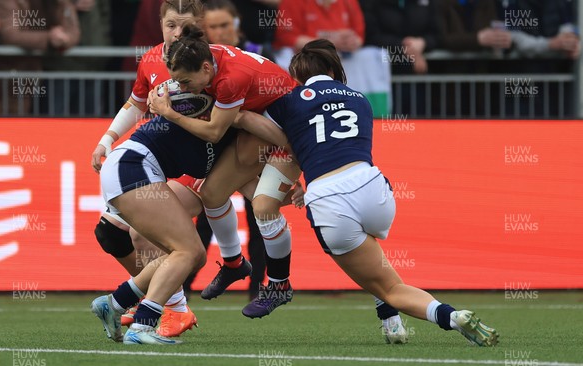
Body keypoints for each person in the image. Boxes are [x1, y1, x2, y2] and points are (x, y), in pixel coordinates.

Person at [237, 39, 500, 347]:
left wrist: (239, 116)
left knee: (388, 285)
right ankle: (392, 321)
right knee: (375, 262)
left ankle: (452, 317)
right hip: (374, 188)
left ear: (297, 75)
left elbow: (261, 127)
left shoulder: (291, 99)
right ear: (335, 70)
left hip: (328, 197)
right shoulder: (360, 99)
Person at [148, 25, 302, 319]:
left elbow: (215, 132)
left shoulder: (230, 79)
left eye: (184, 81)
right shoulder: (205, 57)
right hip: (258, 127)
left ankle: (278, 283)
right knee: (213, 193)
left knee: (264, 208)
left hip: (283, 129)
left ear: (206, 68)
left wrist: (169, 113)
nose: (180, 86)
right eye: (175, 80)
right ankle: (235, 264)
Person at [90, 109, 269, 344]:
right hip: (134, 166)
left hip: (135, 168)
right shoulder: (221, 125)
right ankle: (147, 321)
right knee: (188, 251)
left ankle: (117, 303)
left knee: (189, 253)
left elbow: (251, 189)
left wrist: (287, 189)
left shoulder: (224, 135)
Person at [90, 0, 204, 338]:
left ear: (200, 24)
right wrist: (107, 139)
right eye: (170, 25)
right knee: (111, 232)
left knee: (157, 239)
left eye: (184, 26)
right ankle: (153, 304)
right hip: (152, 158)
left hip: (194, 160)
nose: (176, 33)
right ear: (160, 24)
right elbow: (136, 101)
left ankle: (169, 309)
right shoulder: (153, 58)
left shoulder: (207, 60)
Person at [187, 0, 272, 299]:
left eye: (226, 24)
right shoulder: (204, 65)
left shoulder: (260, 55)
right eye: (214, 27)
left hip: (255, 146)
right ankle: (183, 286)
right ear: (205, 31)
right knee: (206, 217)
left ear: (236, 23)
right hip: (219, 146)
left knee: (259, 217)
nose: (221, 31)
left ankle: (258, 289)